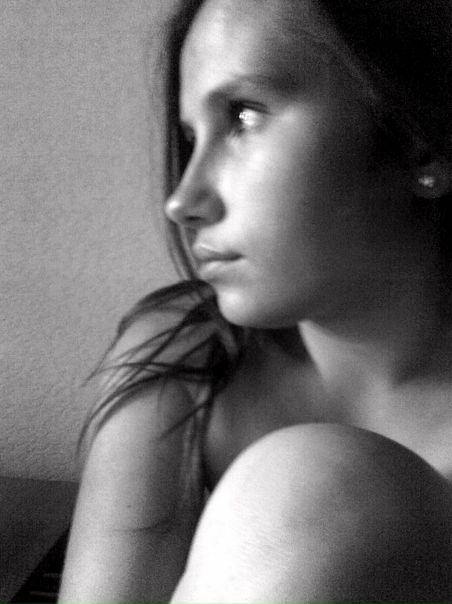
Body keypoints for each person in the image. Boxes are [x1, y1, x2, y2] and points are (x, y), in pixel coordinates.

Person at [58, 0, 452, 602]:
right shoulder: (185, 359)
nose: (183, 200)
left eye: (244, 115)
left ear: (419, 141)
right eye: (191, 138)